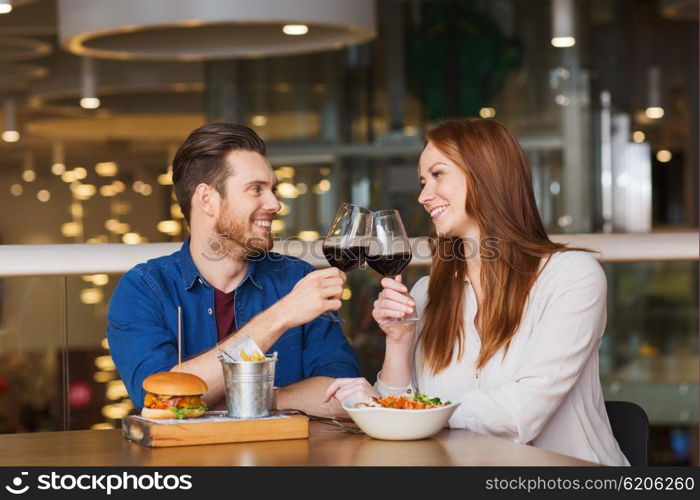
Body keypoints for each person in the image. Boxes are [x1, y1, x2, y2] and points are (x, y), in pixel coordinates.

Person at [324, 118, 629, 466]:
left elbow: (520, 414)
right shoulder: (428, 292)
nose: (424, 196)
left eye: (438, 175)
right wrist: (399, 340)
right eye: (423, 182)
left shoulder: (571, 277)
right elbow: (398, 427)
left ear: (487, 175)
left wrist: (399, 411)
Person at [107, 123, 360, 417]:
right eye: (256, 189)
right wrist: (280, 316)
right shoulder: (144, 289)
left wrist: (239, 400)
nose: (275, 204)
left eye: (273, 189)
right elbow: (157, 400)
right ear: (207, 200)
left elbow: (345, 393)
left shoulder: (297, 279)